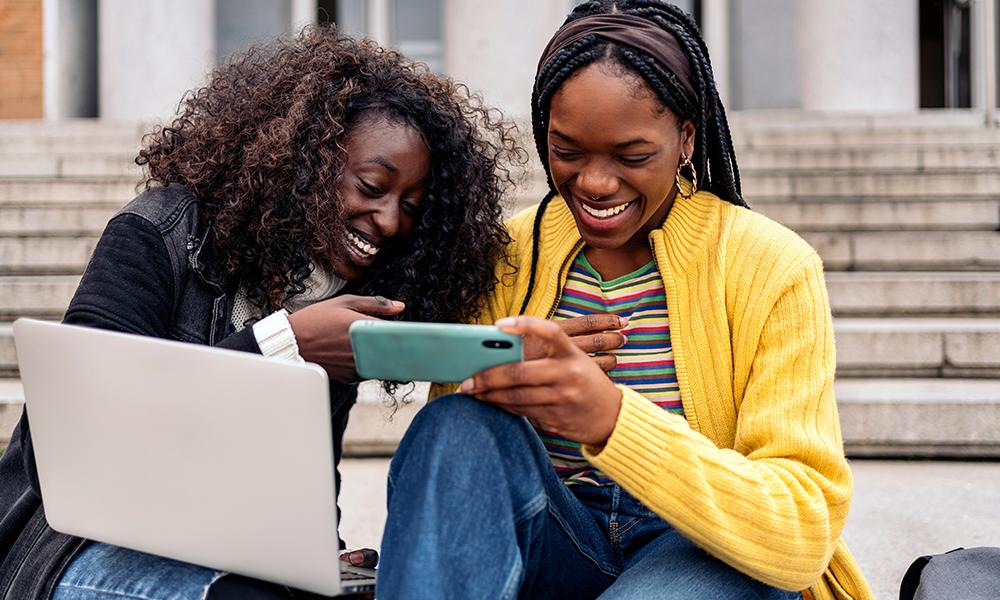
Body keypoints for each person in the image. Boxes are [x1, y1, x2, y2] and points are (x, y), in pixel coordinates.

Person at [376, 2, 876, 599]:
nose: (595, 183)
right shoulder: (506, 255)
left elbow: (801, 528)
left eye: (632, 156)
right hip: (558, 535)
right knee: (454, 424)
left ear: (686, 138)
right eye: (567, 150)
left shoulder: (771, 267)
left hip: (702, 550)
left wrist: (609, 418)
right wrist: (522, 396)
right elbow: (455, 490)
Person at [0, 25, 519, 600]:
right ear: (306, 163)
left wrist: (323, 554)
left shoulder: (330, 302)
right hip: (74, 549)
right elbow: (81, 426)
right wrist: (283, 345)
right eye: (371, 186)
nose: (391, 221)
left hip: (216, 549)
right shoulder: (159, 232)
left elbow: (300, 482)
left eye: (410, 206)